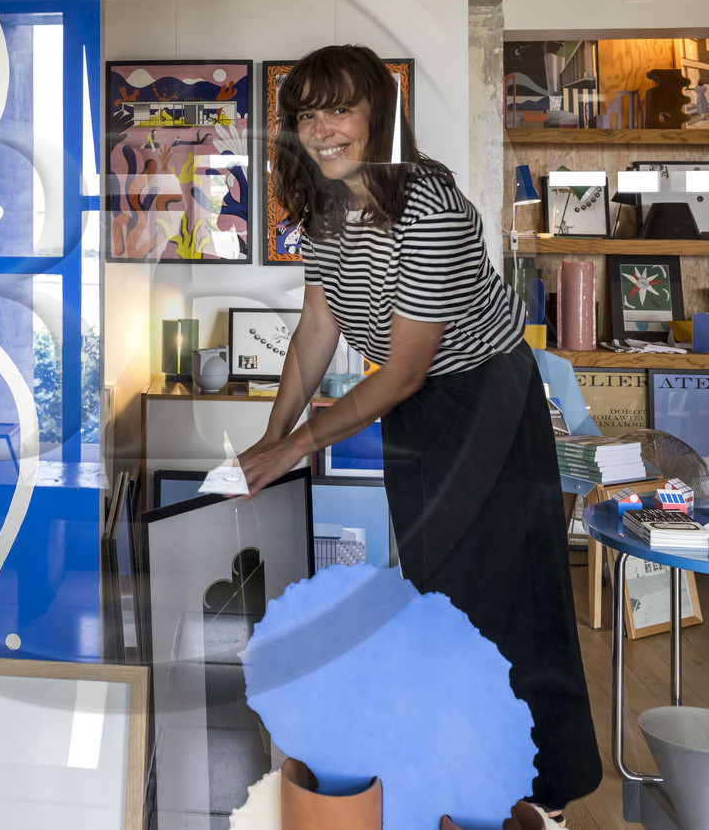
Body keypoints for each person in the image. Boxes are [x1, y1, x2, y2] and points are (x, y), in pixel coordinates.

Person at [236, 44, 601, 820]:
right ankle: (463, 774)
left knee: (511, 598)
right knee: (441, 598)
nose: (322, 128)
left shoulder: (427, 204)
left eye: (341, 108)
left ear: (380, 114)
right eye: (306, 114)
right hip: (419, 410)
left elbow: (399, 370)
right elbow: (315, 329)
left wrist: (295, 448)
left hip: (487, 400)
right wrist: (269, 439)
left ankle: (546, 796)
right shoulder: (323, 209)